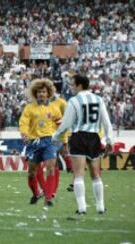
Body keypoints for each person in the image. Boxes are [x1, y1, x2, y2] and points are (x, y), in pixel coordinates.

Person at [52, 74, 113, 215]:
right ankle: (100, 207)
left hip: (79, 137)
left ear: (79, 85)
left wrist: (55, 135)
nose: (71, 87)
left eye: (73, 84)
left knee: (78, 175)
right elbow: (106, 122)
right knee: (96, 175)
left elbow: (66, 123)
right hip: (94, 138)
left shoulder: (74, 101)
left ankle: (81, 208)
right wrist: (110, 140)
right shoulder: (99, 99)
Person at [19, 78, 63, 206]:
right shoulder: (29, 108)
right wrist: (25, 134)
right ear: (35, 93)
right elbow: (23, 123)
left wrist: (62, 139)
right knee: (32, 173)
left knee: (50, 168)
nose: (41, 94)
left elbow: (60, 124)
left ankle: (48, 198)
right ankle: (35, 194)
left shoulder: (54, 108)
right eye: (38, 92)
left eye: (43, 92)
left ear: (48, 93)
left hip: (49, 141)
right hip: (34, 142)